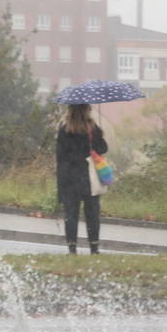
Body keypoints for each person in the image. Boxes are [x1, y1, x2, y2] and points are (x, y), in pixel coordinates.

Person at [56, 102, 108, 254]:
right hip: (89, 178)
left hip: (70, 177)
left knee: (71, 214)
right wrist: (99, 135)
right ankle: (94, 247)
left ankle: (72, 248)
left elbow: (60, 157)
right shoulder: (92, 128)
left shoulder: (64, 129)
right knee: (92, 214)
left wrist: (60, 184)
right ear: (86, 110)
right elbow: (103, 148)